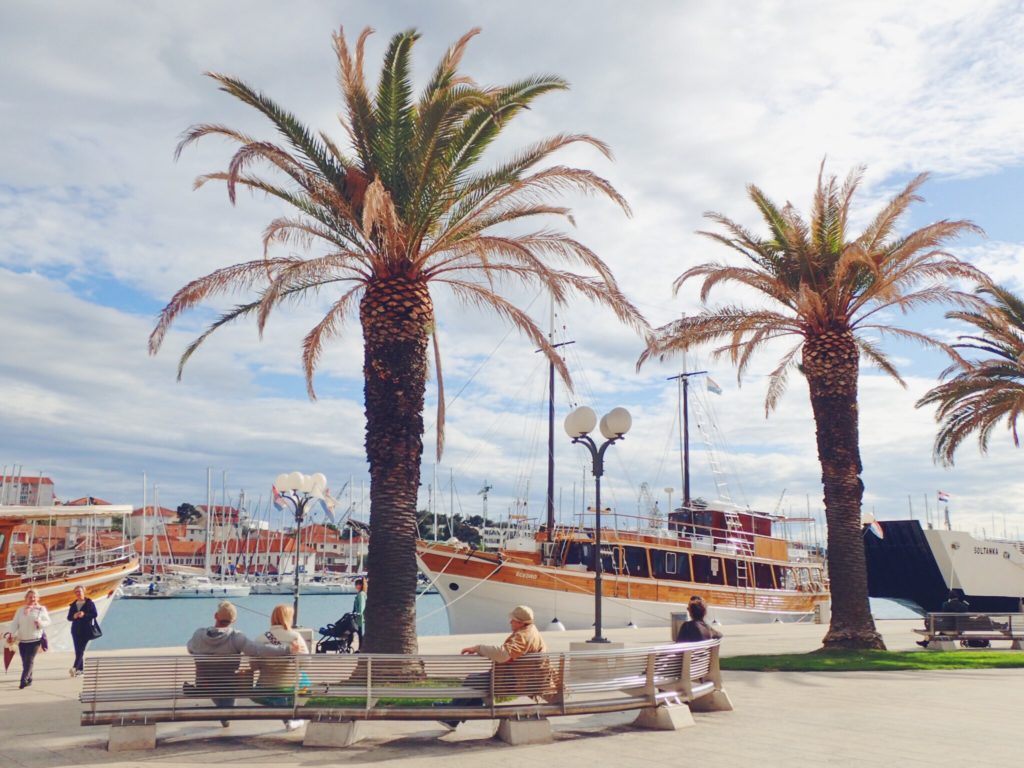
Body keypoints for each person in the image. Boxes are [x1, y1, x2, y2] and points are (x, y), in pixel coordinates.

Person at [186, 601, 301, 727]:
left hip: (203, 686)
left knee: (215, 684)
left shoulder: (198, 634)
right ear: (234, 620)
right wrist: (287, 649)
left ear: (215, 616)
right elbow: (258, 650)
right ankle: (226, 715)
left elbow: (190, 649)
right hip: (228, 687)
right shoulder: (236, 637)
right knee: (227, 686)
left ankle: (225, 715)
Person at [441, 605, 554, 728]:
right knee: (477, 682)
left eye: (513, 620)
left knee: (473, 680)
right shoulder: (532, 631)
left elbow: (503, 655)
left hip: (514, 682)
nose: (510, 622)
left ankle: (451, 714)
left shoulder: (522, 636)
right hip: (524, 679)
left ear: (521, 623)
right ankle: (454, 714)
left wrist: (478, 648)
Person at [248, 604, 309, 732]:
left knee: (279, 688)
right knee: (302, 678)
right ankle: (291, 718)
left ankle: (288, 717)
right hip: (292, 686)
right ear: (288, 618)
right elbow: (306, 662)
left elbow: (254, 666)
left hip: (265, 688)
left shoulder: (260, 638)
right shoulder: (295, 637)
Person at [4, 589, 51, 689]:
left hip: (35, 640)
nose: (32, 599)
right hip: (22, 641)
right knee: (25, 662)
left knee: (29, 661)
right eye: (30, 597)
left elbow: (48, 622)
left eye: (34, 597)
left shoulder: (41, 609)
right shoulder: (20, 610)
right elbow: (15, 624)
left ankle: (23, 681)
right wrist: (10, 634)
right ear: (26, 598)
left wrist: (40, 623)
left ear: (37, 598)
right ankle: (29, 679)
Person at [67, 585, 98, 677]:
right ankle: (80, 670)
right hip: (75, 630)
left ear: (84, 592)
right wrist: (74, 616)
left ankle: (74, 667)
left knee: (81, 650)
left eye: (79, 591)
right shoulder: (73, 605)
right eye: (76, 592)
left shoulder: (89, 603)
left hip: (86, 630)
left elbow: (94, 614)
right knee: (77, 650)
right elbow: (69, 618)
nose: (78, 593)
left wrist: (84, 614)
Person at [352, 577, 366, 642]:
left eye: (356, 584)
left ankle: (360, 648)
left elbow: (362, 605)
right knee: (359, 633)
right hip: (358, 618)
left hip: (360, 618)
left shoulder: (361, 594)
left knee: (360, 634)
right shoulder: (360, 593)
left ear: (360, 585)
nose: (355, 586)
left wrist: (359, 613)